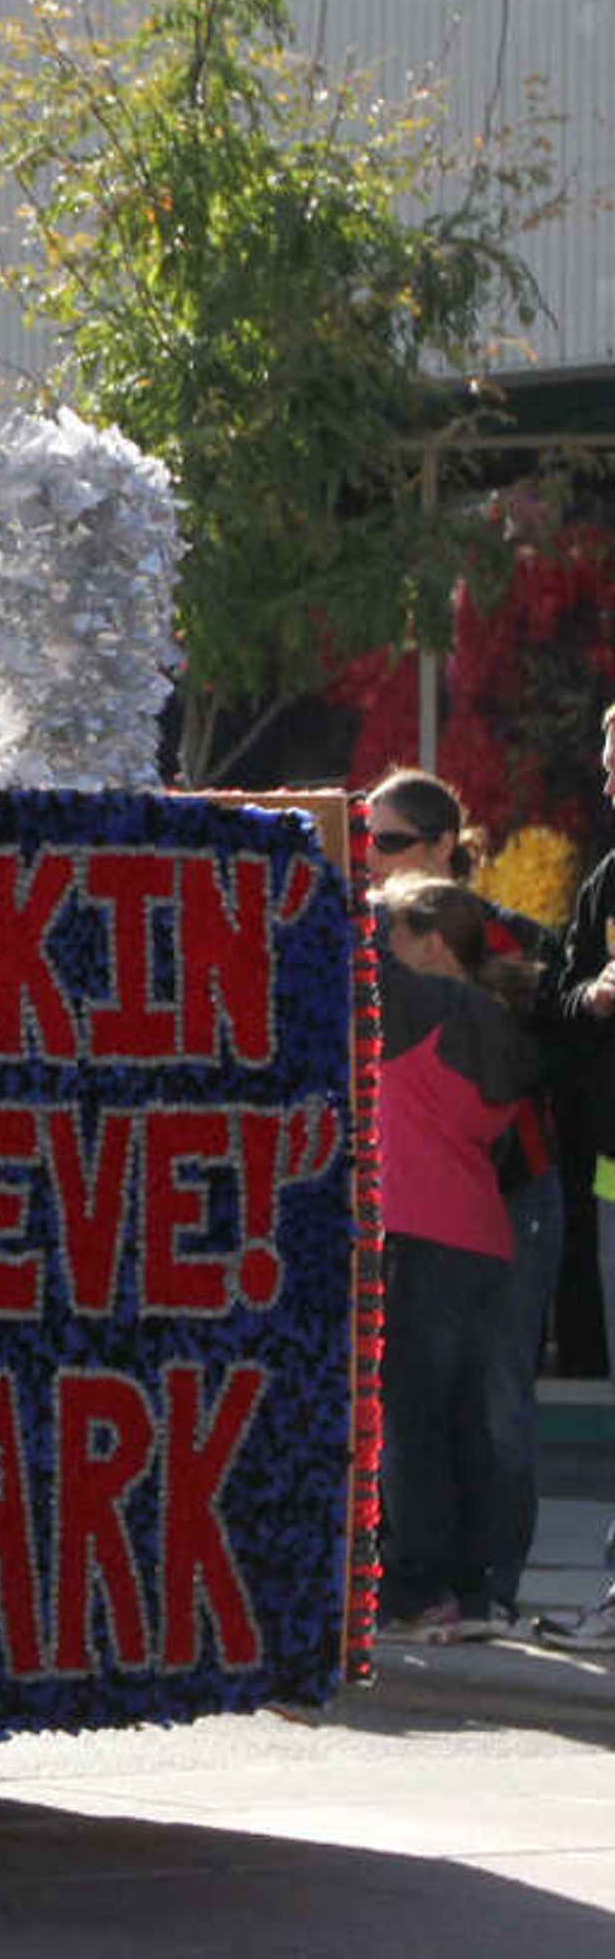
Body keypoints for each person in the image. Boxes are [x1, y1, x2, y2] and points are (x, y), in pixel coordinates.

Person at [363, 765, 558, 1630]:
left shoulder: (426, 1015)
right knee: (470, 1424)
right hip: (481, 1231)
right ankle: (477, 1589)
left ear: (433, 947)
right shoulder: (486, 1014)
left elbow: (357, 948)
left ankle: (420, 1586)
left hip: (421, 1232)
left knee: (411, 1424)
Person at [528, 703, 615, 1650]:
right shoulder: (608, 879)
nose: (607, 779)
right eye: (605, 760)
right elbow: (555, 991)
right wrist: (590, 995)